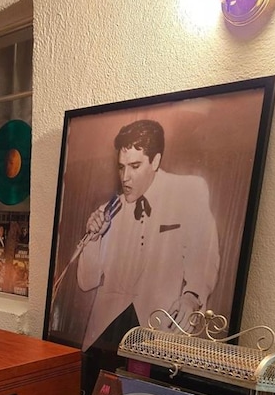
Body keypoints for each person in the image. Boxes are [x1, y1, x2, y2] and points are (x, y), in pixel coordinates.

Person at [77, 118, 219, 363]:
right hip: (105, 335)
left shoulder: (189, 192)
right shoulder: (109, 210)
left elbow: (204, 254)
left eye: (134, 166)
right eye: (121, 167)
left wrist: (191, 296)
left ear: (155, 161)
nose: (125, 177)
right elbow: (86, 281)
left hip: (158, 330)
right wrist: (93, 239)